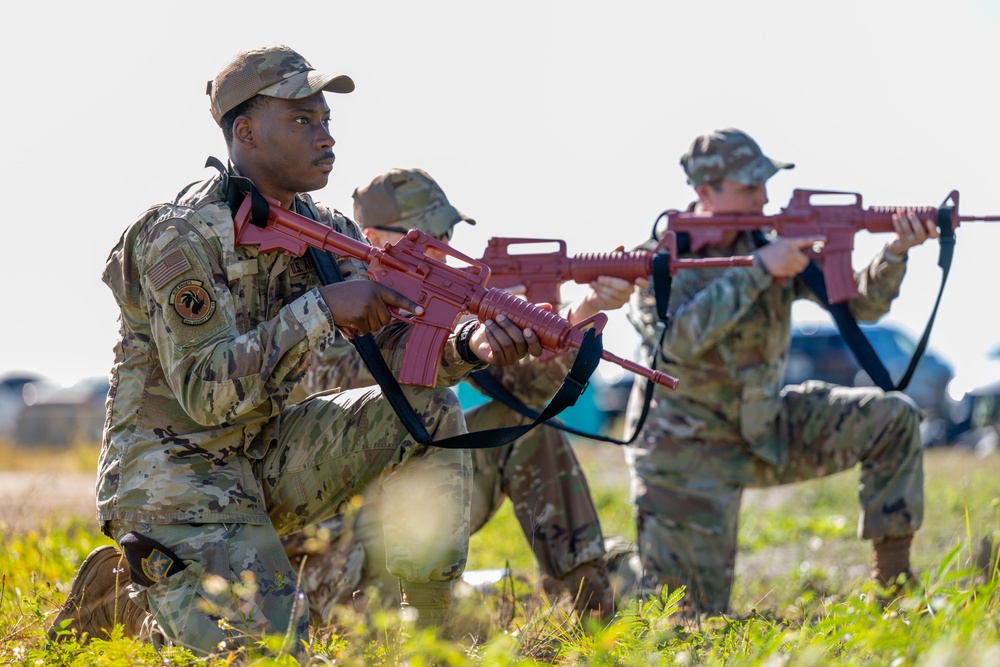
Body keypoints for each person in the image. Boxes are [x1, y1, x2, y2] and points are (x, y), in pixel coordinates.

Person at [47, 45, 544, 656]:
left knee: (431, 403)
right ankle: (135, 587)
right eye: (303, 121)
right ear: (246, 132)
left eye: (327, 120)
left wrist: (472, 345)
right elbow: (207, 393)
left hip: (265, 458)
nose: (326, 137)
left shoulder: (331, 231)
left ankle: (429, 632)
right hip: (176, 481)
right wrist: (321, 309)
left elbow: (393, 356)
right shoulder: (179, 235)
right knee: (275, 656)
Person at [282, 167, 640, 625]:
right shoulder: (327, 295)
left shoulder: (425, 302)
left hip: (417, 511)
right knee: (469, 629)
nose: (444, 251)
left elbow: (520, 399)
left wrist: (580, 314)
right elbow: (345, 378)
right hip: (340, 543)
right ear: (373, 236)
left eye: (448, 234)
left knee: (526, 435)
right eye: (430, 236)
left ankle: (595, 617)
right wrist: (459, 343)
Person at [623, 128, 934, 614]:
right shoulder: (660, 258)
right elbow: (674, 346)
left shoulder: (773, 242)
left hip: (764, 428)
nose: (763, 197)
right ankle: (609, 573)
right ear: (705, 192)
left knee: (893, 417)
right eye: (749, 186)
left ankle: (894, 591)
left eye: (764, 183)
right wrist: (757, 269)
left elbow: (861, 307)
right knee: (686, 620)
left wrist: (894, 253)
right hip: (685, 456)